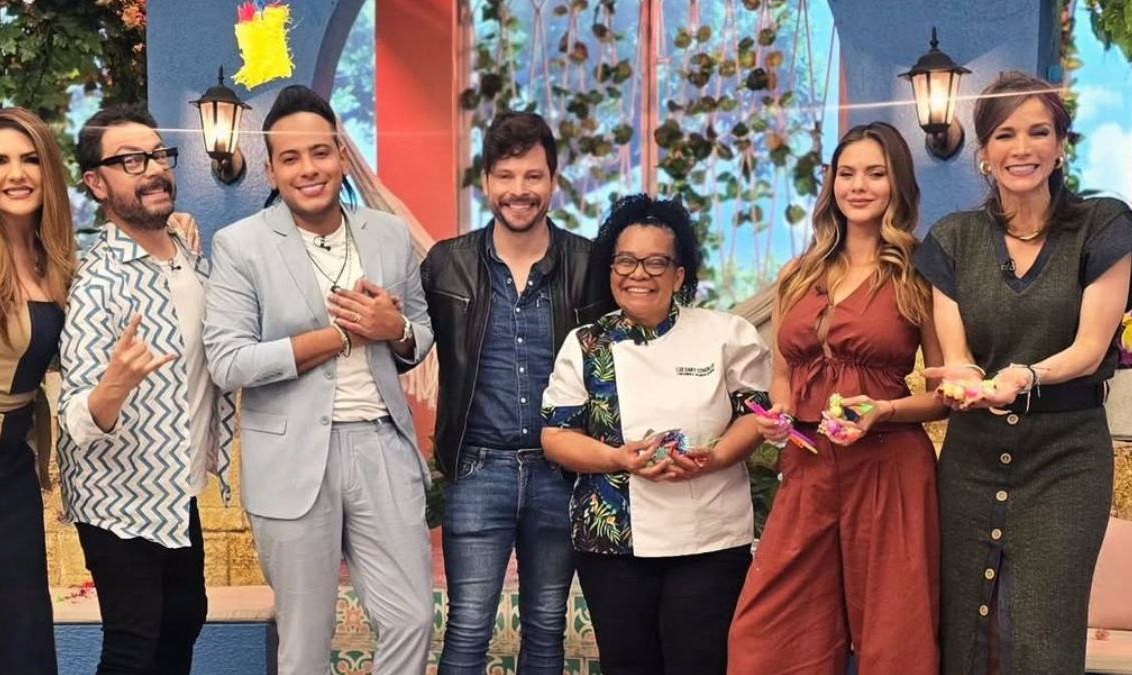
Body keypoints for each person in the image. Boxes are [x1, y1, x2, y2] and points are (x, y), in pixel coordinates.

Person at [915, 71, 1132, 675]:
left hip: (1066, 457)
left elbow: (1090, 347)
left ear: (1061, 143)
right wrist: (965, 379)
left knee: (1045, 633)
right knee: (964, 629)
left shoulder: (1103, 226)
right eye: (1005, 134)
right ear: (984, 151)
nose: (1022, 148)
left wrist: (1023, 375)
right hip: (971, 458)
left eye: (1039, 132)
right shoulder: (953, 239)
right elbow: (957, 353)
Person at [203, 85, 435, 675]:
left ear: (341, 156)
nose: (308, 169)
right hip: (292, 455)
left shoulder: (387, 234)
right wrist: (339, 336)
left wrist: (395, 329)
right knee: (306, 637)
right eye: (290, 158)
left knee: (411, 618)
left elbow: (420, 332)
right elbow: (228, 362)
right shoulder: (241, 246)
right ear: (271, 171)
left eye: (320, 152)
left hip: (383, 444)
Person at [726, 122, 945, 675]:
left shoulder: (920, 273)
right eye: (847, 173)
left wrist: (884, 410)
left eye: (875, 173)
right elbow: (782, 373)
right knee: (766, 640)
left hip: (891, 470)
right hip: (809, 468)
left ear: (897, 184)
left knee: (896, 643)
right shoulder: (797, 274)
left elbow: (943, 397)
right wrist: (778, 413)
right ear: (831, 184)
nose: (858, 186)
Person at [540, 194, 770, 675]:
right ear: (611, 269)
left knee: (701, 664)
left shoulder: (726, 335)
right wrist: (619, 459)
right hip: (613, 543)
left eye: (655, 262)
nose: (638, 274)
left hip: (709, 540)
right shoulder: (586, 344)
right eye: (625, 261)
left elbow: (756, 415)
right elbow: (556, 437)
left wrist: (716, 456)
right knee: (628, 665)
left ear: (679, 275)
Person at [421, 111, 609, 675]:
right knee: (467, 631)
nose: (519, 190)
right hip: (478, 469)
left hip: (562, 471)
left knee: (548, 630)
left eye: (532, 176)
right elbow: (407, 344)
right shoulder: (446, 263)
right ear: (486, 181)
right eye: (505, 176)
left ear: (553, 180)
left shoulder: (589, 263)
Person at [57, 104, 232, 675]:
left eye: (158, 154)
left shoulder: (187, 253)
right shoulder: (99, 280)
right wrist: (112, 387)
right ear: (96, 183)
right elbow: (76, 419)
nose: (154, 169)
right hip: (117, 496)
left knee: (183, 621)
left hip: (177, 486)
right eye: (131, 161)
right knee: (134, 645)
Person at [0, 107, 73, 675]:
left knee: (22, 620)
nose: (15, 174)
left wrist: (174, 228)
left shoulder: (51, 253)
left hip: (14, 461)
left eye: (29, 159)